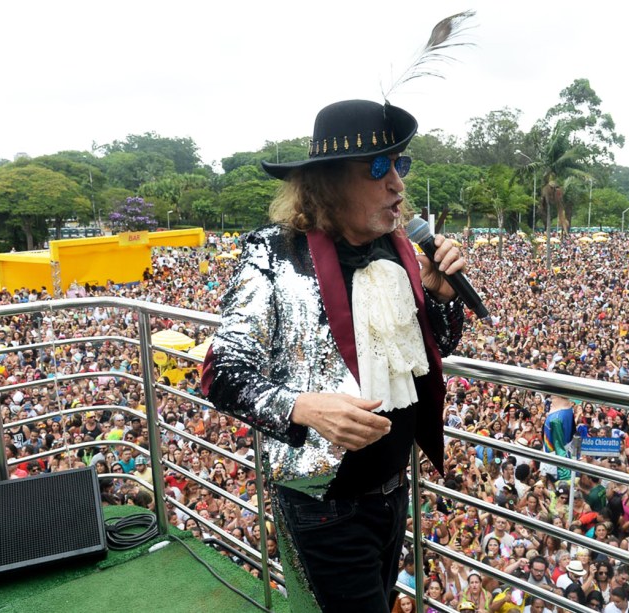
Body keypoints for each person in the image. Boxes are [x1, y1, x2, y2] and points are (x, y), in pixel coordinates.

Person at [203, 99, 466, 613]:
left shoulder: (399, 249)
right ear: (327, 183)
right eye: (377, 168)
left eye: (400, 165)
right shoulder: (275, 255)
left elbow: (431, 352)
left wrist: (439, 297)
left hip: (392, 489)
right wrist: (302, 407)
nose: (397, 183)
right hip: (323, 502)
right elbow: (223, 373)